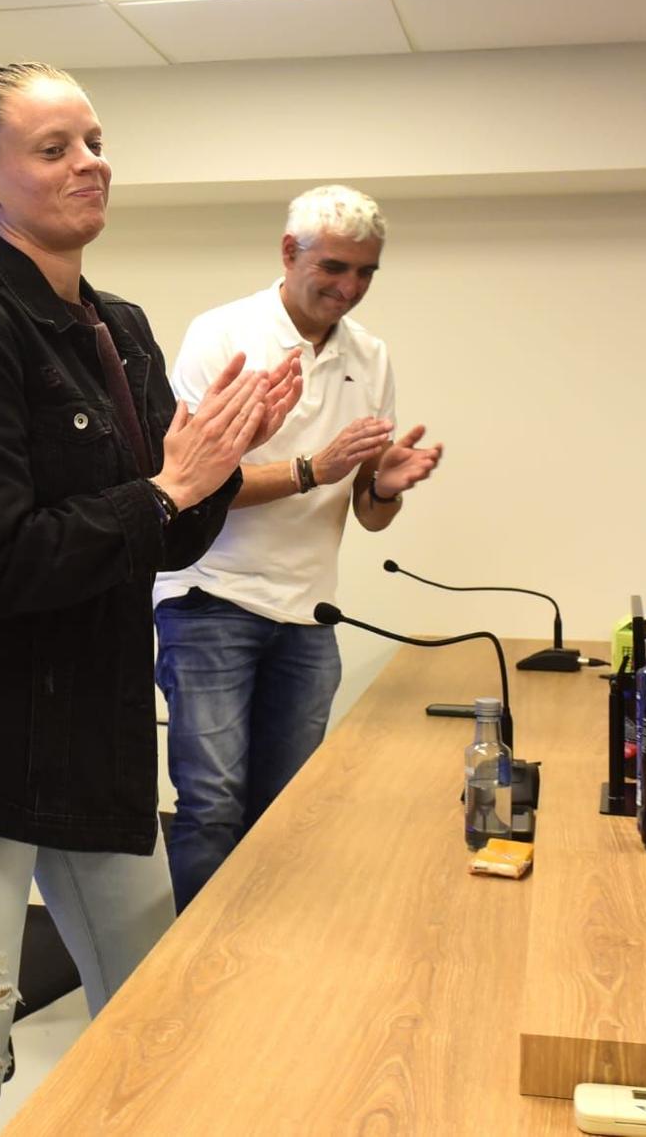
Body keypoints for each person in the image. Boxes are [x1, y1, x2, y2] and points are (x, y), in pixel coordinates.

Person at [0, 62, 301, 1136]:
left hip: (87, 745)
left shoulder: (121, 329)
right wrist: (166, 487)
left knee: (153, 1021)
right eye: (54, 148)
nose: (89, 163)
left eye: (93, 141)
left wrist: (220, 460)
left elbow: (169, 531)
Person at [153, 185, 443, 912]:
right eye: (337, 268)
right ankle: (192, 984)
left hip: (309, 613)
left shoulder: (369, 356)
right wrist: (317, 466)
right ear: (289, 253)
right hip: (210, 598)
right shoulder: (223, 336)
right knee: (212, 806)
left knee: (289, 809)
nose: (350, 288)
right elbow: (194, 485)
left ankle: (262, 973)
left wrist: (387, 487)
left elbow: (368, 516)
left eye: (367, 273)